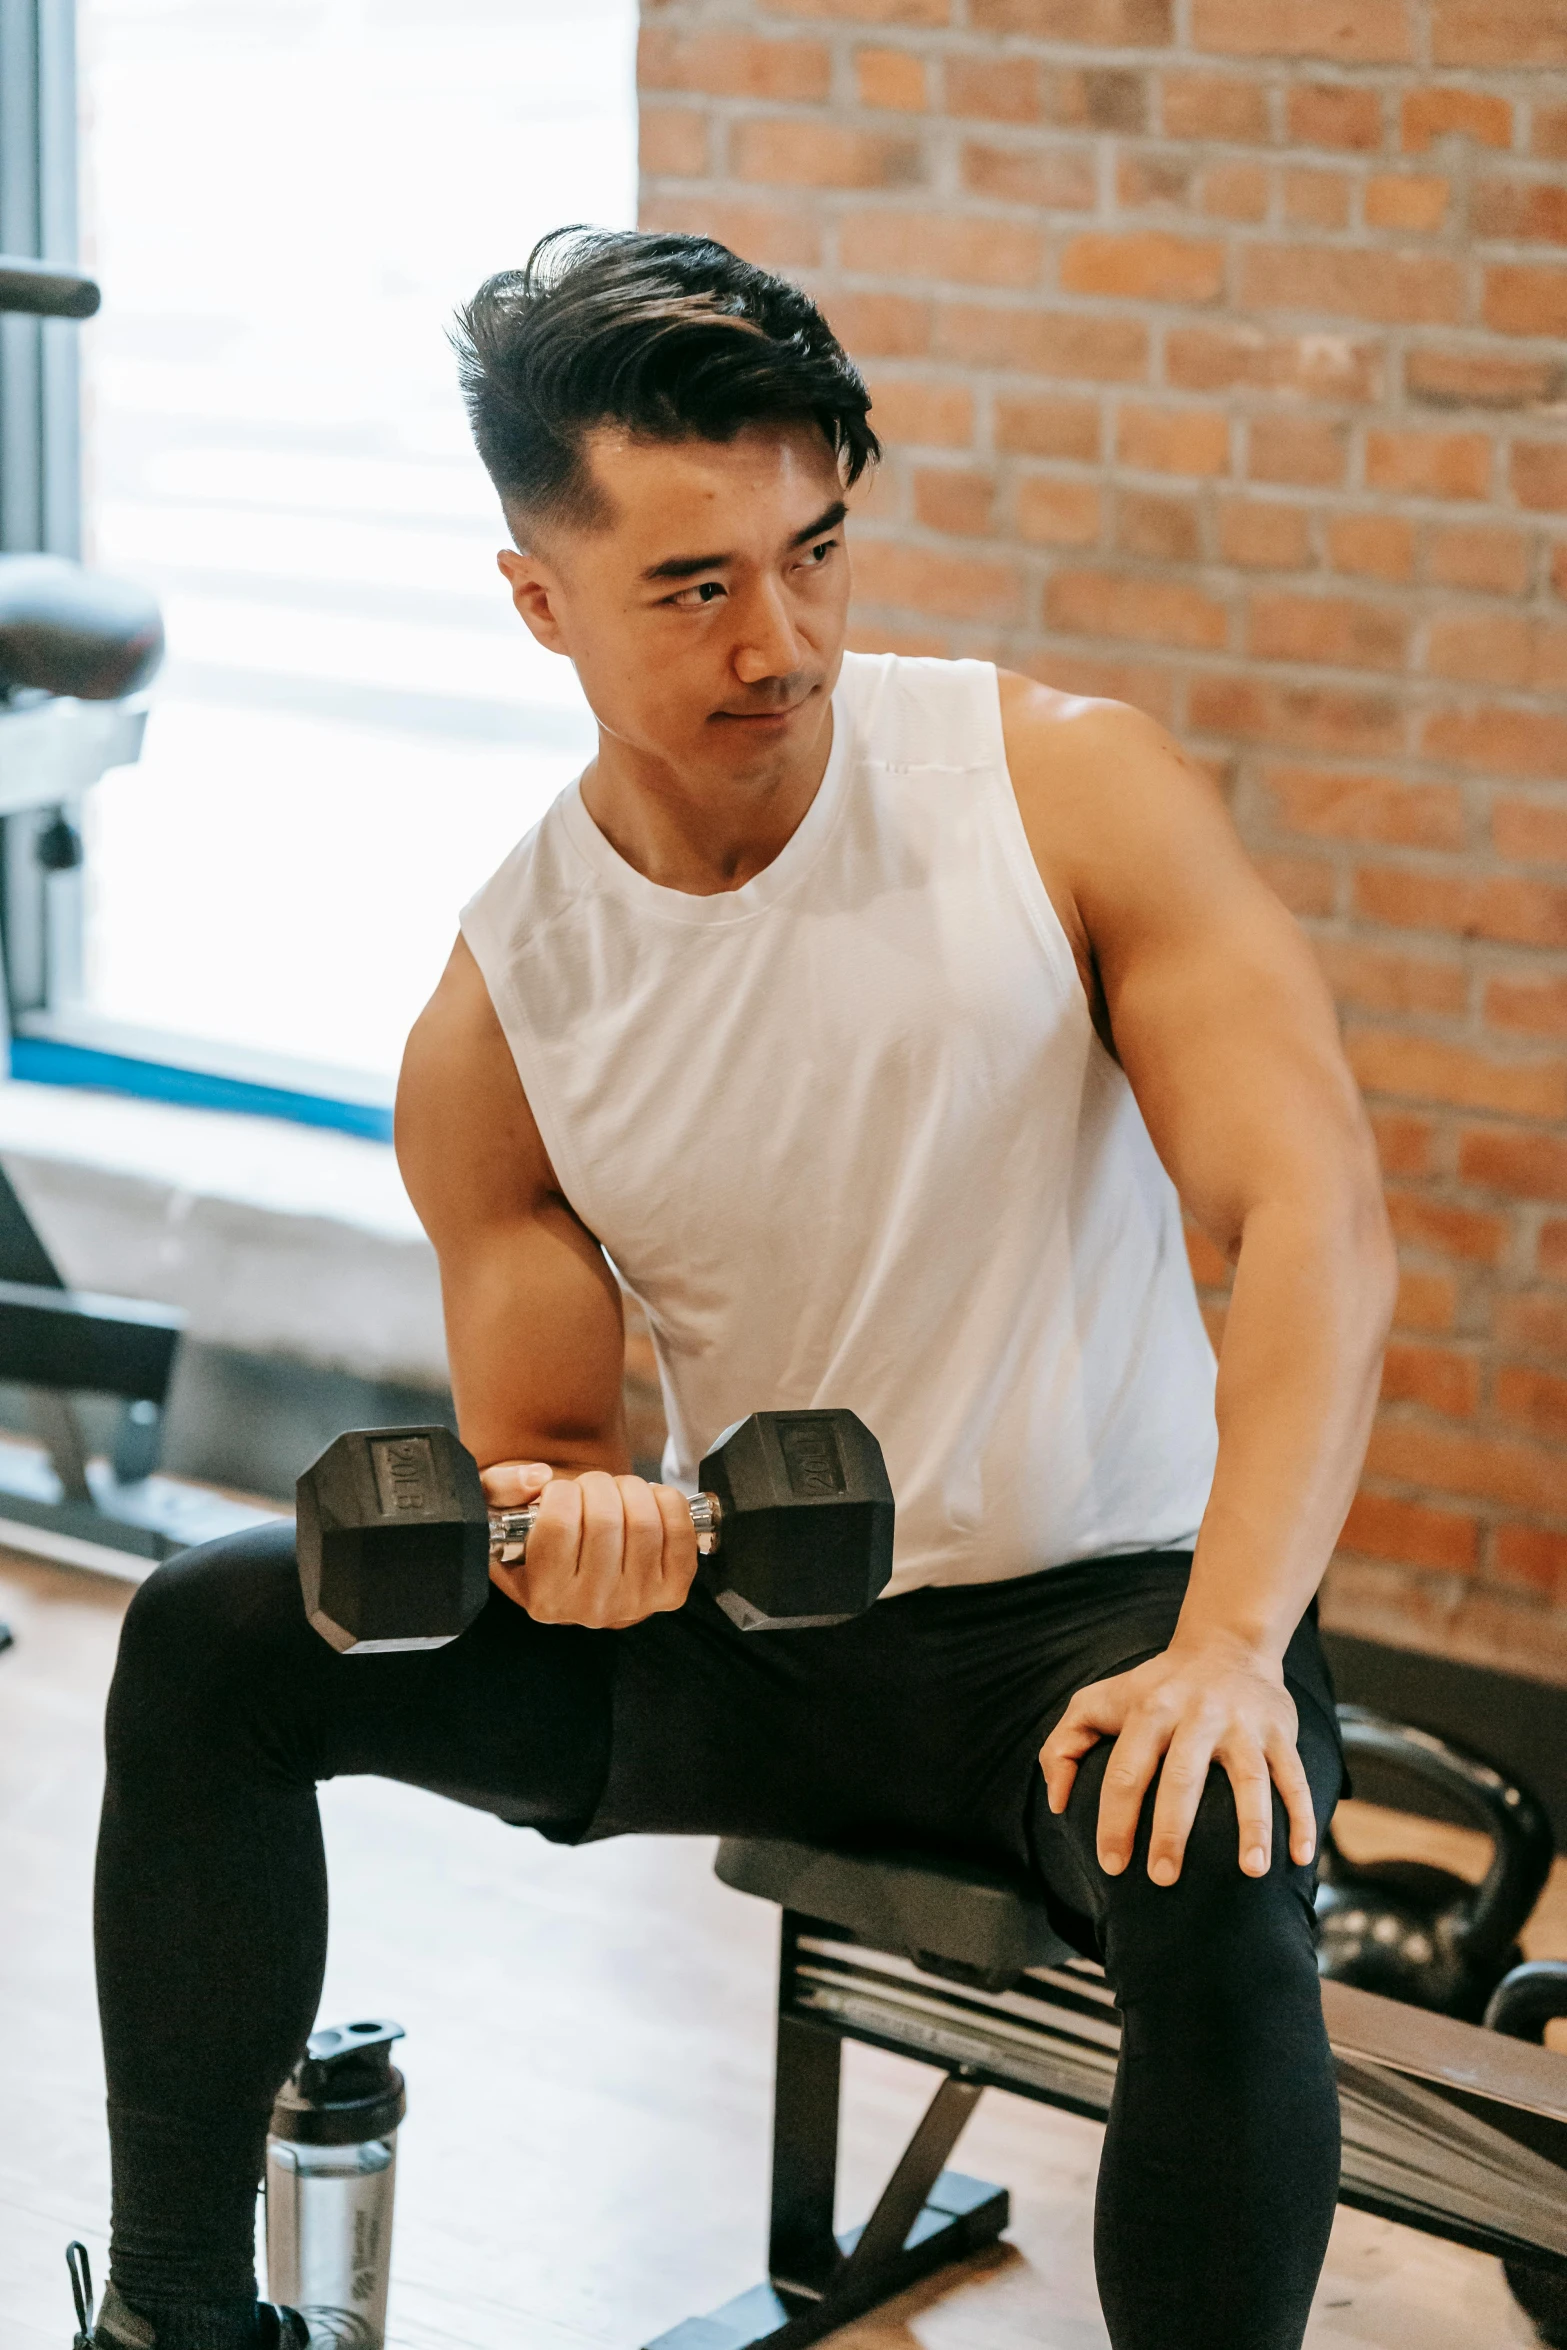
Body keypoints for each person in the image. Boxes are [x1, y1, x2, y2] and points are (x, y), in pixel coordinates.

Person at [75, 228, 1395, 2350]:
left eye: (818, 552)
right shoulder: (511, 1002)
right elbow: (554, 1460)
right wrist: (570, 1519)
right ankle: (174, 2319)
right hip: (766, 1614)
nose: (779, 638)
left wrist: (1236, 1640)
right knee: (217, 1635)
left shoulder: (1060, 793)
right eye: (695, 585)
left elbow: (1310, 1209)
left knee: (1214, 1826)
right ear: (539, 599)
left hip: (1108, 1616)